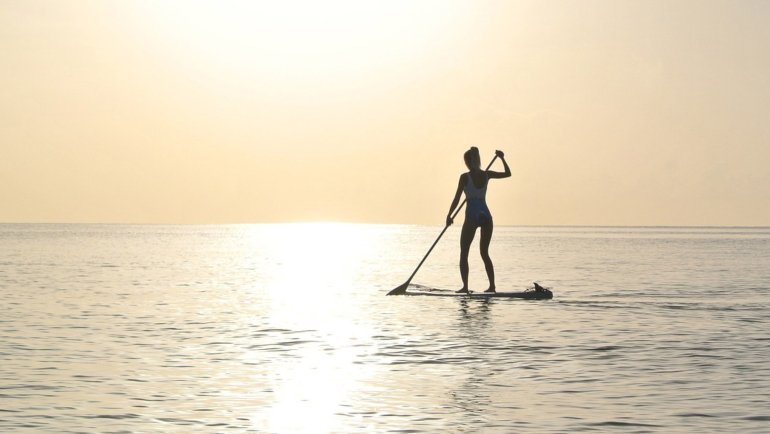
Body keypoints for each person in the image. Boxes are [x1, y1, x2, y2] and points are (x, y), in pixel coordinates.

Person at [446, 147, 511, 293]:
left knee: (464, 252)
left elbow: (457, 198)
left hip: (472, 215)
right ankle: (492, 286)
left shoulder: (464, 177)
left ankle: (465, 287)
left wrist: (449, 215)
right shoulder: (486, 174)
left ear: (468, 161)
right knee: (484, 252)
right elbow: (508, 173)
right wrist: (501, 158)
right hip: (486, 215)